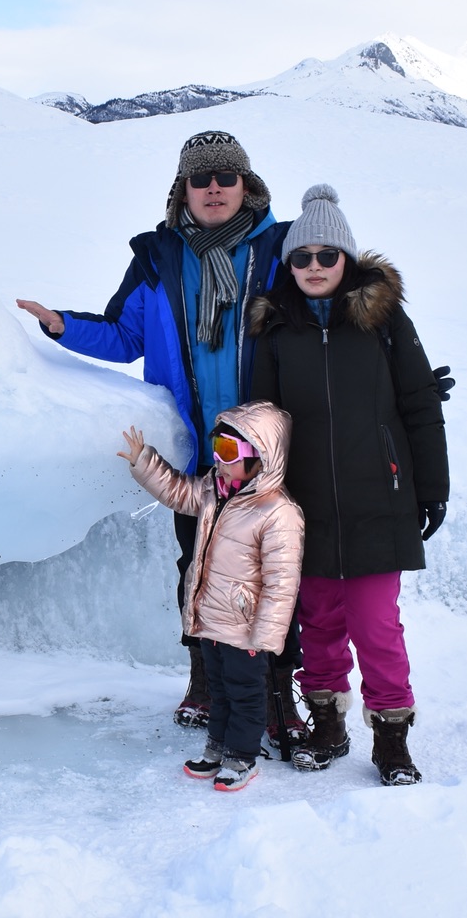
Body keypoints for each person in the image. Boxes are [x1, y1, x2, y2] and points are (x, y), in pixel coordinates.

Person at [17, 131, 297, 732]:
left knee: (277, 568)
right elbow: (125, 336)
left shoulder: (282, 249)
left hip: (268, 447)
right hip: (197, 448)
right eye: (202, 178)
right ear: (183, 190)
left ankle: (278, 695)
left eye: (227, 175)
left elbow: (327, 313)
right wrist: (62, 326)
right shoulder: (158, 257)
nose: (215, 187)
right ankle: (205, 680)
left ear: (246, 184)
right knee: (197, 567)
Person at [248, 184, 449, 786]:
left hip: (378, 501)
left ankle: (391, 739)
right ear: (290, 264)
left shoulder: (384, 322)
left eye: (326, 256)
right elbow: (263, 420)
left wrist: (431, 487)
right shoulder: (277, 330)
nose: (314, 267)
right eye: (301, 257)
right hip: (304, 510)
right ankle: (327, 725)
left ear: (348, 260)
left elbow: (418, 405)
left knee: (376, 627)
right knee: (320, 625)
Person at [118, 401, 302, 791]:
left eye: (230, 452)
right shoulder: (212, 491)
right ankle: (218, 747)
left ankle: (243, 757)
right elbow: (177, 492)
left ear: (261, 458)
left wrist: (266, 637)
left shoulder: (278, 512)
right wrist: (144, 462)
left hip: (246, 628)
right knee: (219, 690)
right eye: (216, 445)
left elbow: (281, 583)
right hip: (211, 621)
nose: (218, 458)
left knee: (245, 694)